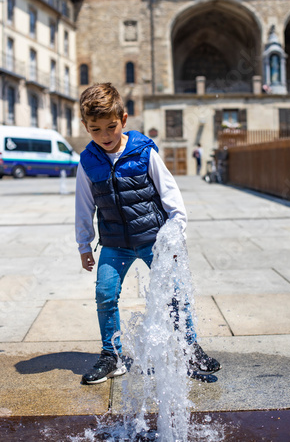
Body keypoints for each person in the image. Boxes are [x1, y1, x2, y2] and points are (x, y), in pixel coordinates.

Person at [75, 83, 220, 385]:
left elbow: (170, 193)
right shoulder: (88, 161)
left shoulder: (143, 151)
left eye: (111, 127)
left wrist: (175, 234)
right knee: (105, 294)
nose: (105, 136)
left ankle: (190, 348)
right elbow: (84, 204)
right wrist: (84, 243)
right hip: (114, 244)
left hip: (153, 240)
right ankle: (111, 356)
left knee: (176, 294)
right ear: (86, 128)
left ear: (124, 120)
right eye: (95, 130)